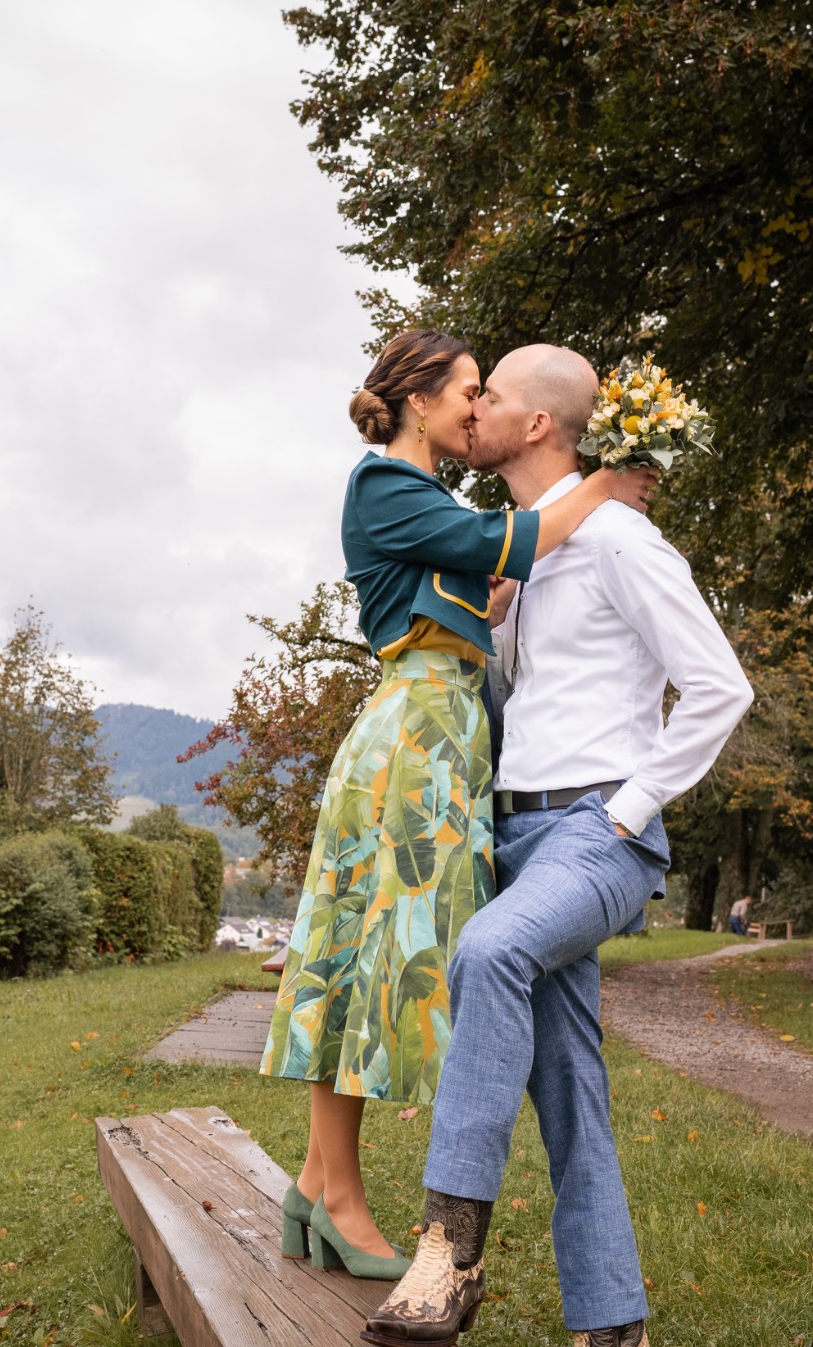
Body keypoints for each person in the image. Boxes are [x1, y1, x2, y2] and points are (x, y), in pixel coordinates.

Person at [364, 345, 753, 1347]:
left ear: (536, 424)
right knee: (567, 1083)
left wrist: (630, 809)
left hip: (595, 834)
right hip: (516, 834)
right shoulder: (519, 557)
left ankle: (447, 1256)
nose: (472, 405)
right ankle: (611, 1319)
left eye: (487, 393)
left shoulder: (621, 539)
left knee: (489, 952)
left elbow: (718, 685)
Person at [259, 329, 655, 1281]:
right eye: (468, 392)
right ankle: (338, 1197)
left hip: (445, 735)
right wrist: (597, 486)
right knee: (371, 952)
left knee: (377, 950)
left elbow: (488, 576)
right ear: (419, 397)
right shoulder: (381, 482)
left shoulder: (424, 495)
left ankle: (321, 1181)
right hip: (414, 737)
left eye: (484, 394)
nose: (478, 410)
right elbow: (499, 541)